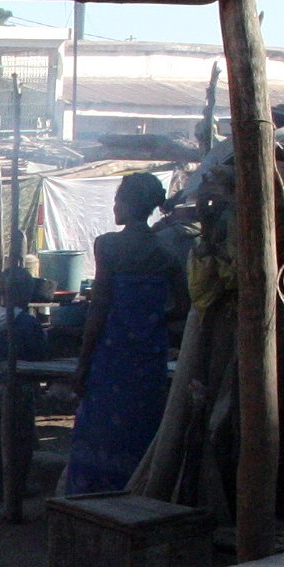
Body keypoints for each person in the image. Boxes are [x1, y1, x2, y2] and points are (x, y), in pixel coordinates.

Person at [66, 171, 187, 495]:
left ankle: (92, 498)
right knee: (140, 429)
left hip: (112, 355)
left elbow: (99, 308)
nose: (114, 206)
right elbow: (183, 308)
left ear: (129, 205)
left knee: (100, 430)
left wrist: (82, 364)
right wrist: (151, 320)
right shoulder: (166, 254)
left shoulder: (107, 246)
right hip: (149, 359)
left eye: (118, 199)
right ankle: (135, 495)